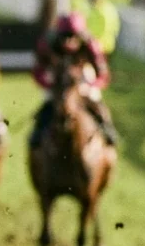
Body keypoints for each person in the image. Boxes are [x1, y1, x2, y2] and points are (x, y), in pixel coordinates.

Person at [30, 13, 117, 146]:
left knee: (96, 101)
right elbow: (37, 70)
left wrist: (91, 85)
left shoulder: (91, 45)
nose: (68, 41)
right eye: (65, 36)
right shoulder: (48, 43)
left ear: (80, 35)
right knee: (48, 103)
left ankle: (107, 129)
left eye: (72, 36)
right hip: (57, 79)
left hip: (83, 78)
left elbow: (103, 73)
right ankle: (37, 135)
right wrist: (48, 83)